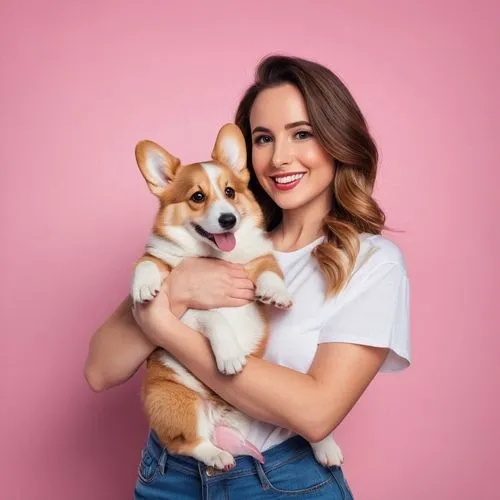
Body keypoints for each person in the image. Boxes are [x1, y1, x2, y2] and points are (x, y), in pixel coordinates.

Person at [84, 54, 411, 499]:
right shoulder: (203, 243)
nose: (279, 158)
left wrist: (163, 323)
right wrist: (177, 288)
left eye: (302, 133)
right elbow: (101, 370)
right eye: (263, 138)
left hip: (279, 483)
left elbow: (316, 414)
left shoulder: (372, 262)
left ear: (337, 140)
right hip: (168, 474)